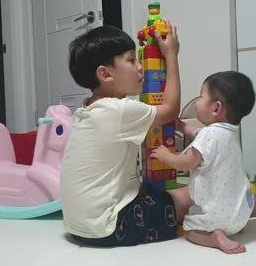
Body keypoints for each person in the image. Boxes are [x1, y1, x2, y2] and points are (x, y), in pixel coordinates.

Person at [60, 20, 193, 246]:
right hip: (110, 228)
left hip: (78, 227)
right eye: (132, 60)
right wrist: (171, 55)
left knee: (151, 188)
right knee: (187, 196)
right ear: (105, 74)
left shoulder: (87, 109)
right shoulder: (118, 111)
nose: (140, 66)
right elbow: (171, 110)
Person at [151, 71, 256, 254]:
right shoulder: (228, 133)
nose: (197, 101)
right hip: (240, 214)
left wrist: (167, 156)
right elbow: (195, 133)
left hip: (214, 216)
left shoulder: (208, 136)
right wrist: (179, 125)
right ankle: (233, 228)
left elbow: (188, 163)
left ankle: (213, 238)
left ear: (216, 108)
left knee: (190, 230)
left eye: (201, 96)